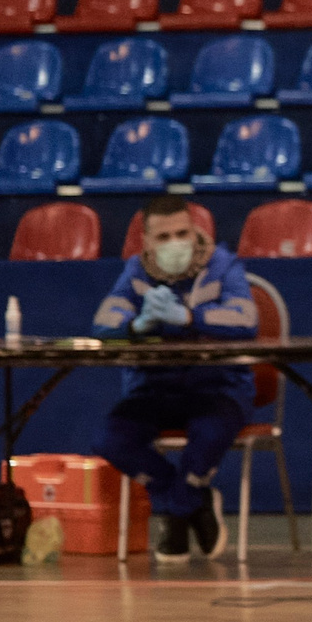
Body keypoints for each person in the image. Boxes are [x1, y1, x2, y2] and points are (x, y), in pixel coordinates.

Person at [91, 196, 256, 561]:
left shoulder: (223, 265)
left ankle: (174, 512)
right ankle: (189, 500)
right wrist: (135, 325)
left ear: (196, 233)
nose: (175, 243)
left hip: (217, 387)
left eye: (183, 233)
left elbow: (245, 318)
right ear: (147, 242)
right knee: (110, 440)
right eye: (164, 237)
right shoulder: (135, 272)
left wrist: (189, 317)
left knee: (210, 434)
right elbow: (103, 323)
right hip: (154, 389)